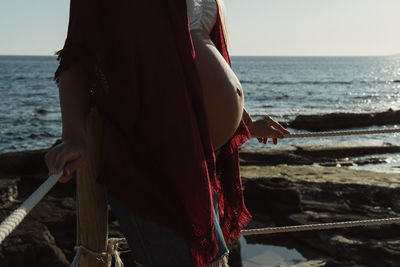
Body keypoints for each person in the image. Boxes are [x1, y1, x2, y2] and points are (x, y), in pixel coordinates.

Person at [45, 0, 290, 266]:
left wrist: (244, 121)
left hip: (201, 163)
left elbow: (195, 56)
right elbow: (78, 57)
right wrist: (74, 135)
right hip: (152, 165)